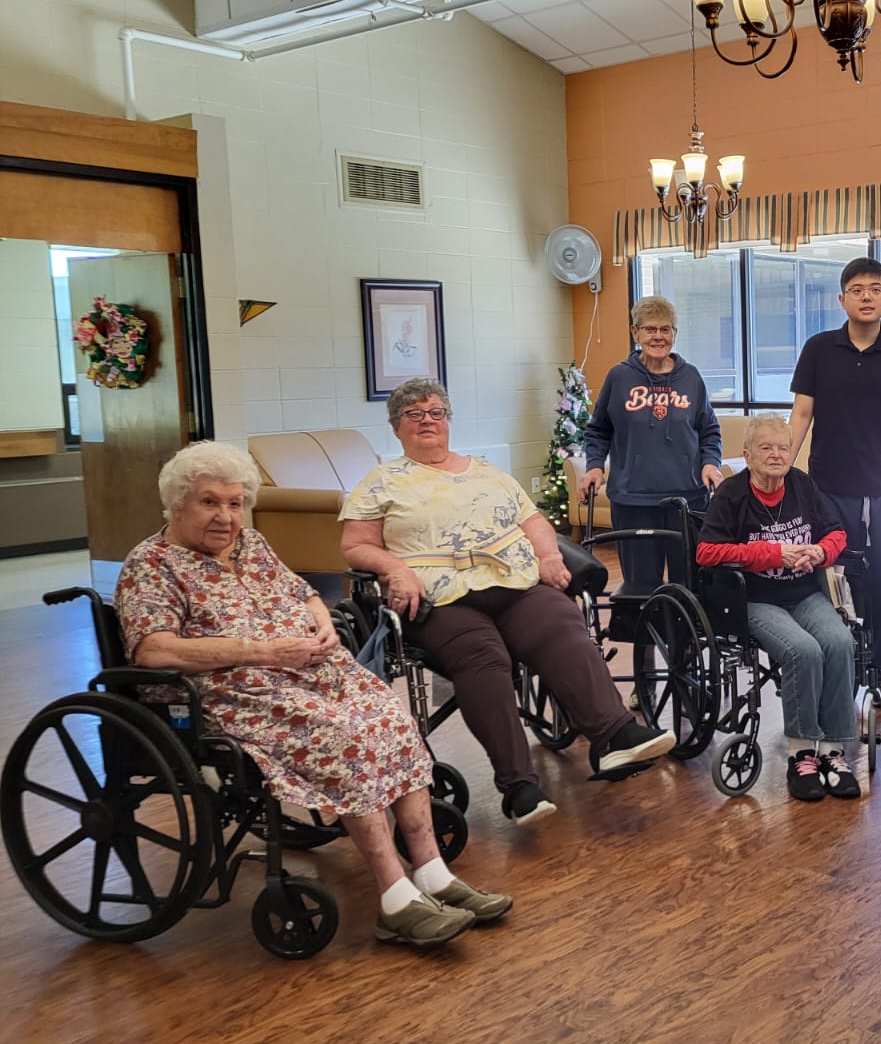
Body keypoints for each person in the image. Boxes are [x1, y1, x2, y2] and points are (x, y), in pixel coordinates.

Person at [117, 442, 510, 949]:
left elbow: (302, 592)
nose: (226, 517)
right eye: (209, 503)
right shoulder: (151, 564)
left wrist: (323, 624)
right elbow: (152, 650)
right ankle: (395, 900)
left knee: (388, 714)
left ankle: (433, 874)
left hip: (306, 669)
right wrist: (259, 651)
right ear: (176, 504)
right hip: (234, 691)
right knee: (345, 735)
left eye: (235, 503)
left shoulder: (252, 546)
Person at [340, 377, 675, 827]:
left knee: (561, 622)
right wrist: (396, 570)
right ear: (396, 427)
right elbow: (355, 545)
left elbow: (533, 520)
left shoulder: (484, 471)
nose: (427, 421)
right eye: (414, 414)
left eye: (436, 412)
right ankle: (519, 785)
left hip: (513, 583)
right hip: (440, 598)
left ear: (448, 421)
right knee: (483, 655)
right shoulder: (382, 481)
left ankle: (615, 736)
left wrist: (551, 556)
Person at [696, 414, 862, 802]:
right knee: (802, 650)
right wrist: (771, 553)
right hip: (754, 599)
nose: (776, 455)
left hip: (804, 592)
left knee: (838, 641)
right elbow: (706, 552)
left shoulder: (802, 485)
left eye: (783, 448)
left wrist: (819, 552)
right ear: (747, 454)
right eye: (766, 448)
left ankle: (833, 753)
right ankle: (802, 754)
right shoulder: (732, 494)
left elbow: (836, 533)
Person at [789, 256, 881, 708]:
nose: (866, 296)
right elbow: (801, 415)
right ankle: (844, 658)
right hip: (829, 485)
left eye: (875, 288)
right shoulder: (818, 349)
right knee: (836, 577)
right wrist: (782, 475)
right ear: (841, 298)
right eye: (857, 289)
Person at [581, 296, 723, 593]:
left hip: (687, 499)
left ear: (674, 333)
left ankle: (684, 640)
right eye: (650, 329)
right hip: (634, 500)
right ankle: (645, 639)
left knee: (689, 584)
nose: (658, 336)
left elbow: (709, 429)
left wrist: (711, 463)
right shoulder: (619, 377)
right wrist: (594, 466)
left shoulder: (691, 377)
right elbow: (598, 430)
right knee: (640, 587)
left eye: (665, 329)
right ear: (636, 333)